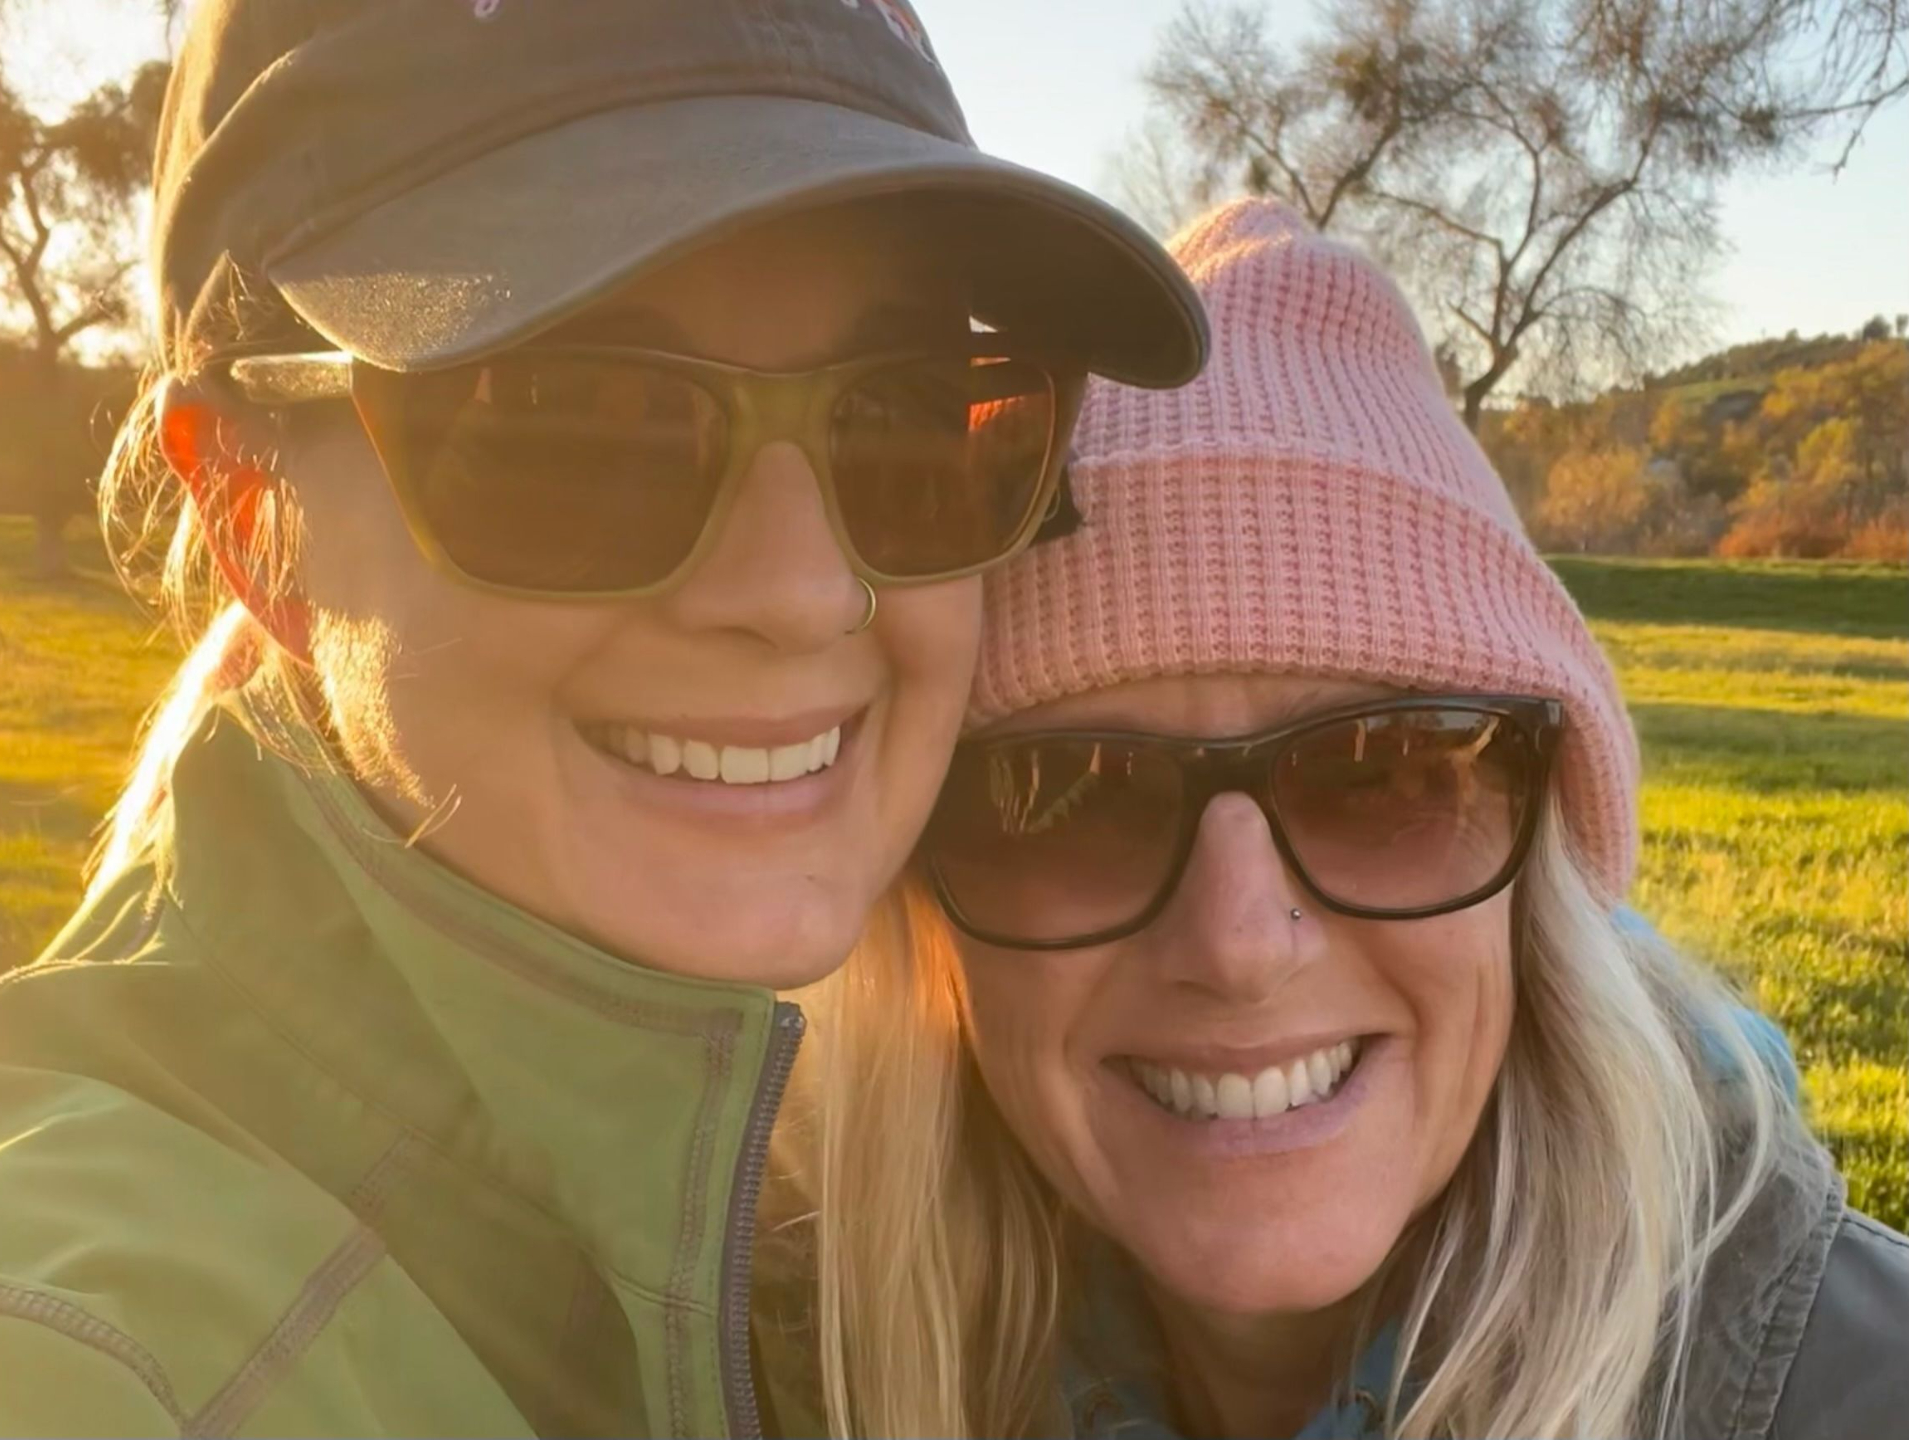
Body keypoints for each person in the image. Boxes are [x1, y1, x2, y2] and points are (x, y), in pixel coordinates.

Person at [0, 2, 1208, 1435]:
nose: (805, 592)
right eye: (572, 425)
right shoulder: (100, 1355)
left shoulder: (915, 1206)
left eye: (911, 416)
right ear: (254, 516)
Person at [778, 199, 1909, 1438]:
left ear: (1542, 870)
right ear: (923, 898)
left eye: (1385, 777)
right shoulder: (758, 1372)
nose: (1238, 947)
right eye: (1069, 796)